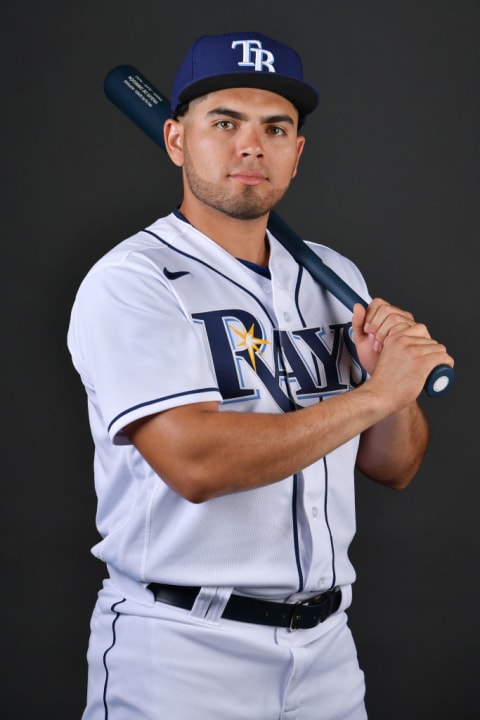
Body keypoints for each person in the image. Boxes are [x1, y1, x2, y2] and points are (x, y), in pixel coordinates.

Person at [67, 31, 453, 720]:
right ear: (177, 140)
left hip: (329, 652)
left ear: (296, 155)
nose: (252, 145)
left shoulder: (338, 280)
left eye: (276, 128)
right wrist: (376, 394)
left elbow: (394, 467)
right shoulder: (132, 282)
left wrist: (394, 392)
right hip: (181, 651)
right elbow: (195, 463)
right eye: (225, 122)